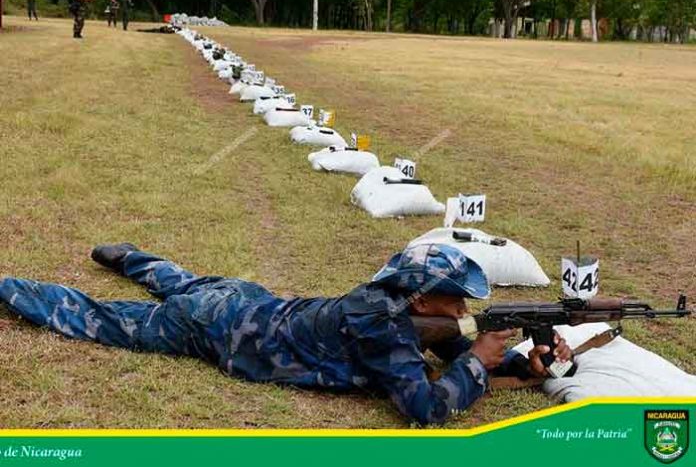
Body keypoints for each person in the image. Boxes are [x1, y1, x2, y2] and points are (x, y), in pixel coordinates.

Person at [0, 243, 571, 425]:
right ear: (420, 297)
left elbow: (451, 343)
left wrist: (526, 363)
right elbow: (423, 408)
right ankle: (12, 287)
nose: (466, 308)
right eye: (456, 299)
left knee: (184, 280)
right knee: (101, 319)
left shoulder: (400, 307)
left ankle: (130, 256)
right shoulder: (378, 323)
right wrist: (478, 362)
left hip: (249, 301)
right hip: (222, 330)